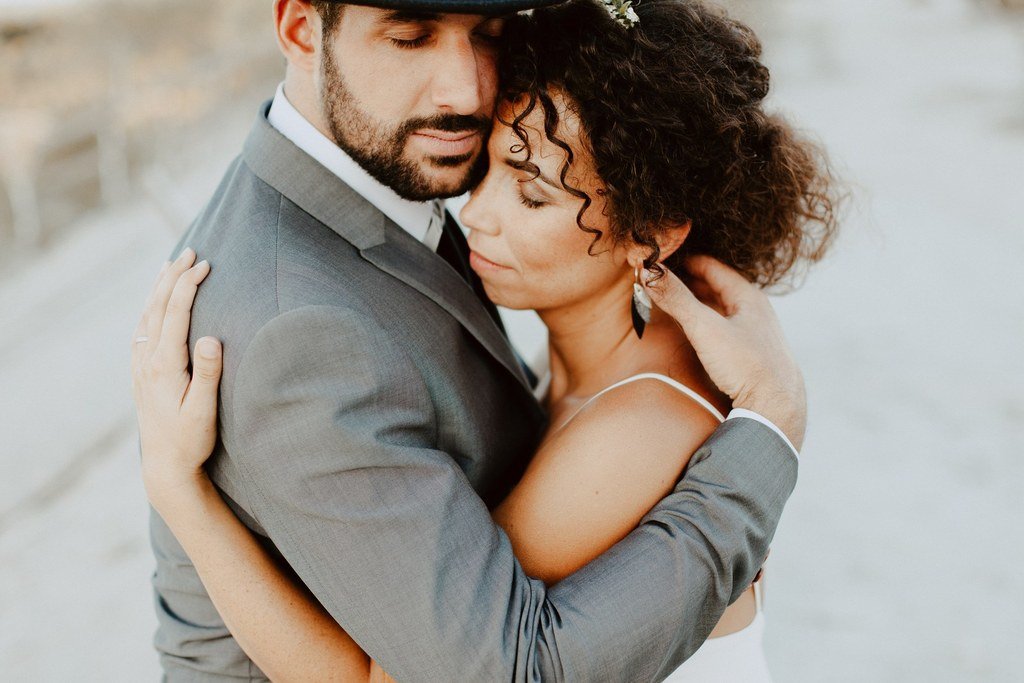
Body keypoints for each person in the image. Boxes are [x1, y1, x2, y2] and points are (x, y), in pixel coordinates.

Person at [133, 0, 834, 680]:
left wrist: (182, 498)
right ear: (298, 28)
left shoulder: (637, 422)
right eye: (410, 35)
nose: (476, 213)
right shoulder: (324, 317)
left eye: (532, 195)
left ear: (649, 231)